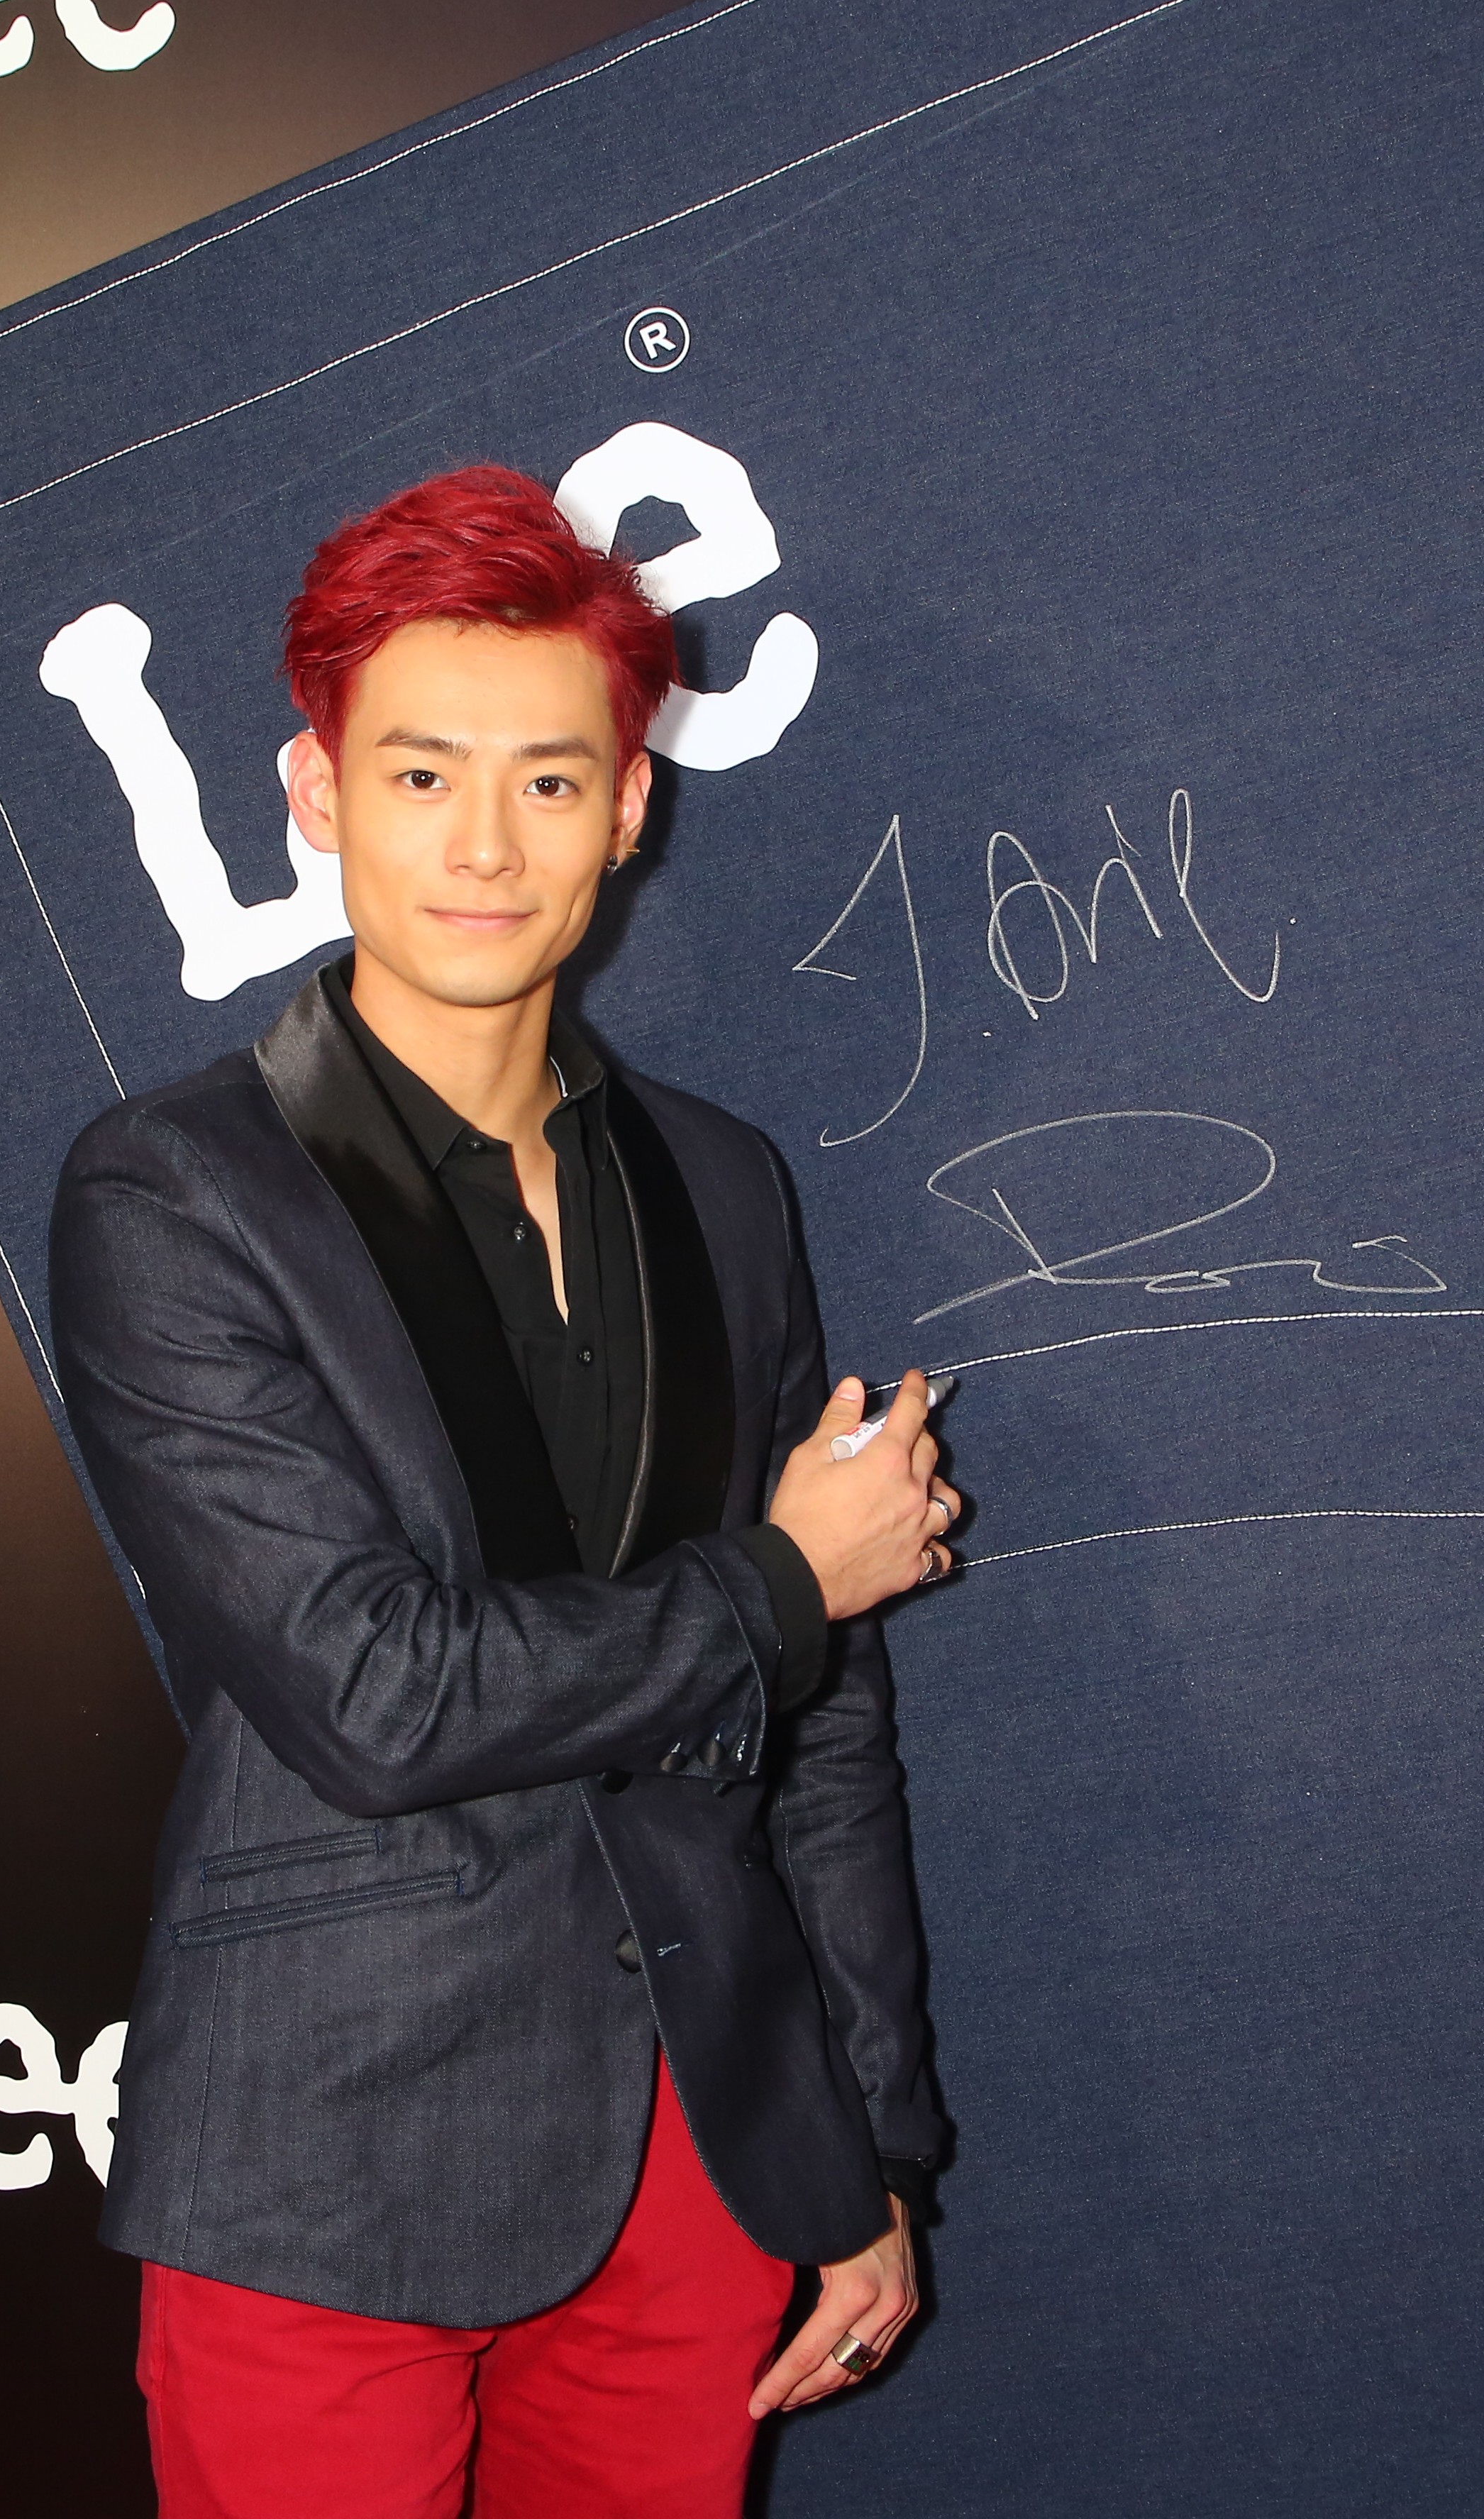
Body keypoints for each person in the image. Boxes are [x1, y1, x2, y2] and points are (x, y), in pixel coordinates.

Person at [49, 464, 960, 2519]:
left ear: (629, 807)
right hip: (326, 2153)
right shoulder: (176, 1193)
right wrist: (780, 1579)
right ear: (316, 792)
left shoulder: (721, 1183)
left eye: (548, 782)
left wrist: (862, 2138)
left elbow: (824, 1721)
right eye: (419, 774)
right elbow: (376, 1696)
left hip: (696, 2154)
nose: (482, 845)